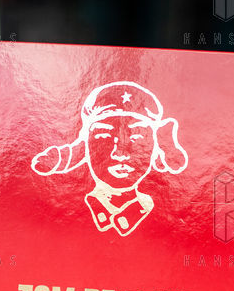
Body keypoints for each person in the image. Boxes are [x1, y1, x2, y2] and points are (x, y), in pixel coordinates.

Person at [31, 80, 188, 236]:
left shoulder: (173, 214)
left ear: (155, 146)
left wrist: (170, 151)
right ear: (86, 145)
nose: (120, 154)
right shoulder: (58, 210)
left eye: (136, 137)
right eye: (104, 136)